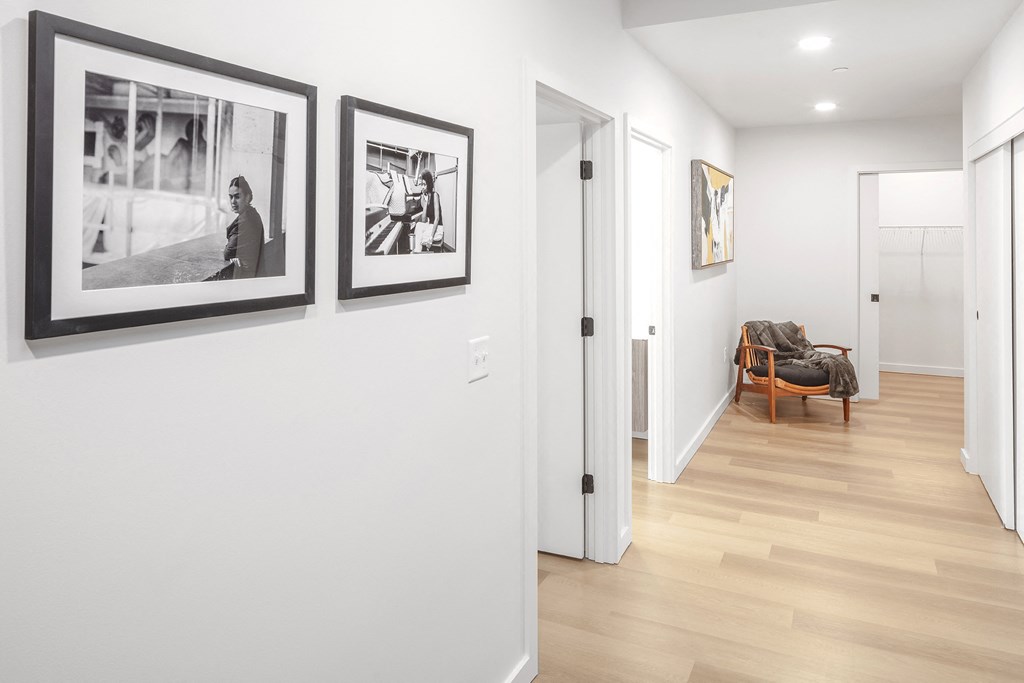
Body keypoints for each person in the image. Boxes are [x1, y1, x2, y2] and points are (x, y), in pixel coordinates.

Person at [223, 175, 264, 278]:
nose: (233, 201)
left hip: (248, 277)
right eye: (231, 197)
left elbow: (228, 252)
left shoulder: (246, 220)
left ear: (247, 197)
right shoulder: (251, 214)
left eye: (237, 197)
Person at [410, 170, 444, 253]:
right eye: (421, 184)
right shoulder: (424, 198)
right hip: (429, 226)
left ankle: (417, 252)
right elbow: (424, 220)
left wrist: (431, 238)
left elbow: (437, 218)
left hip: (437, 228)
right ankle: (417, 252)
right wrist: (424, 203)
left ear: (429, 184)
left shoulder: (435, 195)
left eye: (424, 184)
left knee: (421, 237)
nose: (422, 187)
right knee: (418, 225)